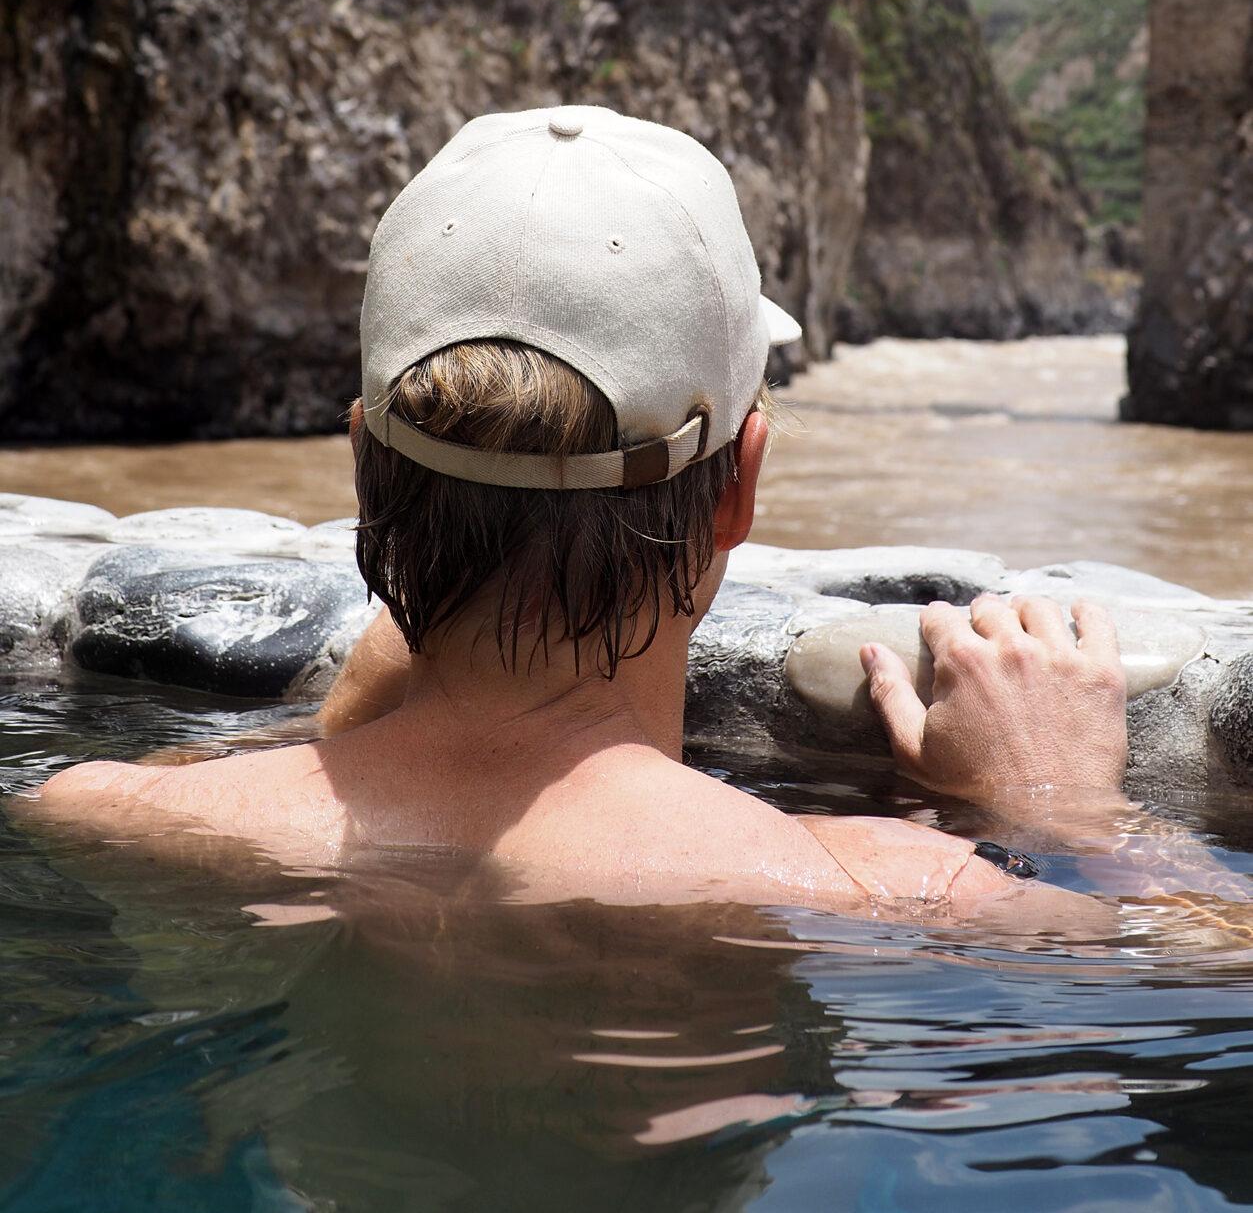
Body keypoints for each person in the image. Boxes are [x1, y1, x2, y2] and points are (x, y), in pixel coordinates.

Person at [33, 105, 1129, 915]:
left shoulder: (101, 811)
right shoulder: (896, 891)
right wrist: (1054, 816)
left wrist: (339, 732)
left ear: (365, 462)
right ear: (736, 486)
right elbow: (1175, 959)